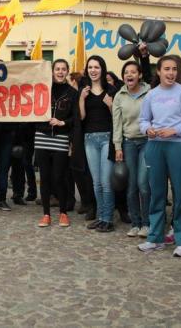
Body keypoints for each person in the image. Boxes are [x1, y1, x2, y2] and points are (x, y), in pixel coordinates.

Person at [138, 55, 181, 257]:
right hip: (154, 147)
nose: (171, 73)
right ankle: (155, 237)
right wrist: (148, 130)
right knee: (156, 193)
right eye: (166, 69)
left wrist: (175, 130)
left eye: (174, 69)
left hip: (178, 147)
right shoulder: (151, 95)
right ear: (159, 71)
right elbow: (144, 121)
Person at [36, 59, 77, 228]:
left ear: (67, 72)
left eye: (63, 69)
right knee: (44, 178)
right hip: (41, 136)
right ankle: (46, 214)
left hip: (61, 137)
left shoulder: (72, 92)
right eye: (57, 69)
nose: (60, 72)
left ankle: (63, 213)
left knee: (59, 177)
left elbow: (75, 118)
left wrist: (63, 123)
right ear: (52, 71)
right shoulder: (43, 89)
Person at [113, 60, 151, 237]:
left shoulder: (149, 92)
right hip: (128, 143)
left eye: (133, 72)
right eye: (126, 72)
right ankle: (135, 223)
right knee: (131, 185)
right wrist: (117, 146)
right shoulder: (119, 96)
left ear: (140, 74)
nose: (129, 75)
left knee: (143, 184)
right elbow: (117, 124)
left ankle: (147, 223)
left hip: (147, 142)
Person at [79, 55, 116, 233]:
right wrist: (81, 99)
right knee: (96, 182)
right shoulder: (83, 90)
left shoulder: (111, 90)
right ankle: (100, 217)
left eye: (97, 67)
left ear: (102, 69)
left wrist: (110, 105)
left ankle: (107, 218)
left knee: (106, 181)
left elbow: (118, 118)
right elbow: (81, 118)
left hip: (107, 138)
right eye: (90, 67)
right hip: (89, 139)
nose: (93, 70)